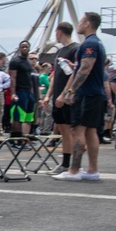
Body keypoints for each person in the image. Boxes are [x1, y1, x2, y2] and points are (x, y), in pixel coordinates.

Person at [54, 13, 107, 181]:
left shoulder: (89, 44)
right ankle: (92, 170)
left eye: (82, 21)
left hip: (87, 94)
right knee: (91, 131)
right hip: (95, 93)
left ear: (87, 24)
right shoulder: (97, 43)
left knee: (78, 130)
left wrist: (70, 91)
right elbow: (83, 67)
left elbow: (85, 69)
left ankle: (74, 170)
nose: (79, 23)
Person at [42, 22, 79, 174]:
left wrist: (65, 94)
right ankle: (65, 163)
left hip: (65, 97)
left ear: (58, 32)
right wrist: (49, 96)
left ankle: (69, 164)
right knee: (63, 130)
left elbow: (74, 74)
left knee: (69, 131)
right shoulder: (61, 51)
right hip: (57, 95)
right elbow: (55, 75)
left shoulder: (74, 49)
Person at [8, 41, 36, 139]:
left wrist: (32, 93)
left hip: (28, 92)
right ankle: (15, 139)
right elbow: (12, 78)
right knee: (18, 117)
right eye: (23, 47)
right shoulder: (15, 61)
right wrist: (13, 93)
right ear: (20, 48)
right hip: (20, 92)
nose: (24, 48)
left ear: (29, 48)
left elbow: (30, 78)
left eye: (26, 47)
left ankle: (24, 139)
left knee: (28, 118)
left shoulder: (28, 62)